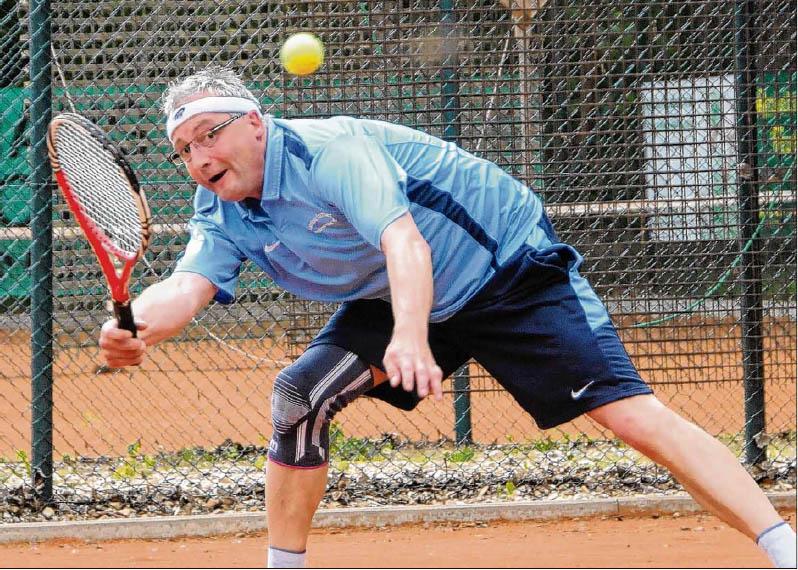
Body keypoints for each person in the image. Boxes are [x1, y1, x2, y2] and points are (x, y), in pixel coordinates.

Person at [99, 66, 796, 568]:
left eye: (209, 135)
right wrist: (134, 325)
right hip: (394, 293)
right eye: (184, 149)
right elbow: (187, 284)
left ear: (255, 123)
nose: (199, 158)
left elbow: (404, 240)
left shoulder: (330, 152)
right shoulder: (221, 208)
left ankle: (782, 547)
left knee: (630, 416)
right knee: (299, 398)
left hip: (506, 270)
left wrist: (410, 336)